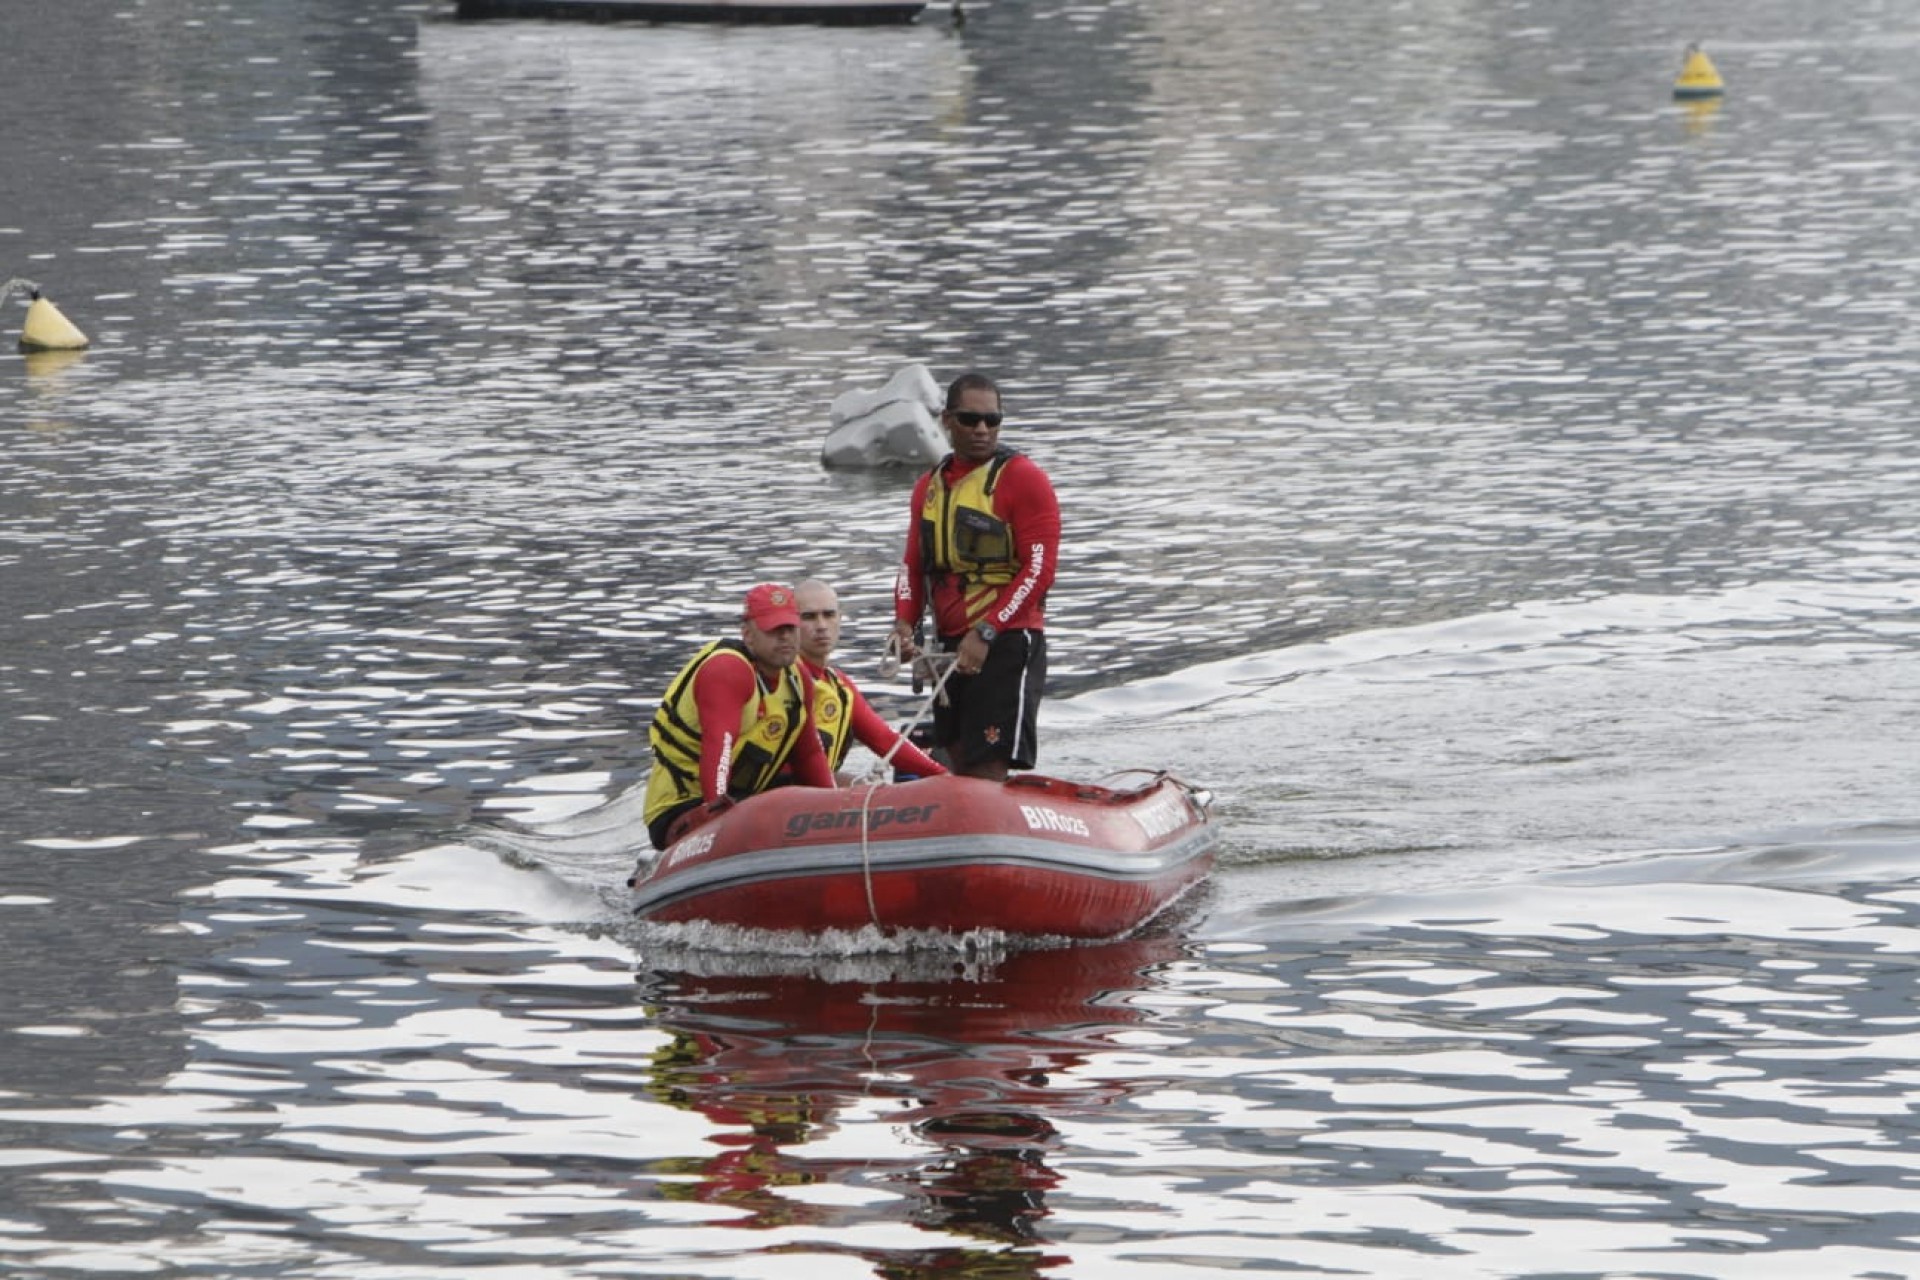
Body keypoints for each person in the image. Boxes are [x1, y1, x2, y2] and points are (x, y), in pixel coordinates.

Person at [890, 373, 1060, 782]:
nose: (982, 429)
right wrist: (903, 623)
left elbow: (1039, 570)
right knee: (956, 755)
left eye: (992, 420)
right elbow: (911, 567)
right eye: (970, 419)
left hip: (1007, 641)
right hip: (949, 648)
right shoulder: (927, 488)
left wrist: (987, 632)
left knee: (988, 763)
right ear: (947, 420)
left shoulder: (1023, 479)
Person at [642, 583, 836, 850]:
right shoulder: (728, 670)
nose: (785, 638)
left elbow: (809, 754)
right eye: (774, 630)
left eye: (790, 628)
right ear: (748, 634)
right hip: (685, 804)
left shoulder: (797, 679)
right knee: (757, 823)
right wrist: (718, 819)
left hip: (746, 799)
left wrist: (835, 812)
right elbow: (718, 749)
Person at [792, 579, 947, 783]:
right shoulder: (784, 678)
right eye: (809, 617)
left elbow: (885, 740)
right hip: (776, 796)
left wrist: (944, 776)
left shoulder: (840, 687)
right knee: (860, 785)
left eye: (828, 615)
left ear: (839, 618)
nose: (821, 626)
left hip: (817, 796)